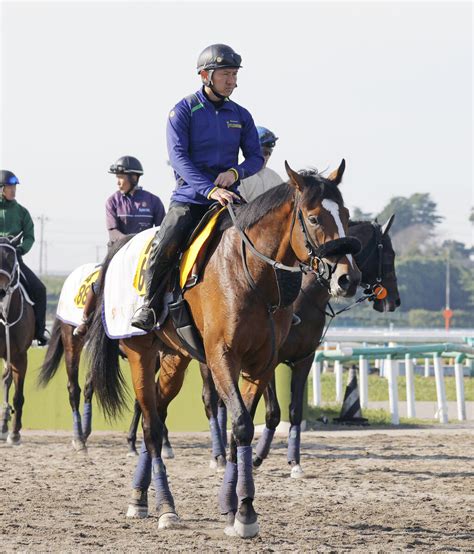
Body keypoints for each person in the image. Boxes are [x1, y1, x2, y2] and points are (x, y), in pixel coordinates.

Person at [131, 43, 264, 331]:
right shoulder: (183, 111)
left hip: (228, 198)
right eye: (226, 74)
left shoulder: (241, 115)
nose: (233, 81)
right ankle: (149, 305)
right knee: (164, 243)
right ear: (205, 75)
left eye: (234, 75)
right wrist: (209, 189)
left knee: (262, 239)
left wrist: (235, 172)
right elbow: (179, 159)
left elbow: (255, 157)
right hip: (190, 198)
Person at [74, 156, 165, 337]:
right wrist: (133, 244)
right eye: (117, 177)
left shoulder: (153, 201)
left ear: (134, 177)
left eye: (121, 176)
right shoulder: (112, 202)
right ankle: (85, 319)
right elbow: (113, 231)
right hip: (118, 253)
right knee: (99, 282)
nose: (118, 181)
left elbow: (162, 229)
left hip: (146, 254)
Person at [0, 170, 49, 345]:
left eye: (14, 187)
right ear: (1, 189)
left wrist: (21, 249)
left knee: (40, 289)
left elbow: (29, 236)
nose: (13, 190)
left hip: (14, 262)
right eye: (9, 187)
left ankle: (40, 331)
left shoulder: (22, 212)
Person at [239, 126, 284, 202]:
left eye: (269, 153)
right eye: (264, 152)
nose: (266, 157)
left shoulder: (275, 178)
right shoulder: (235, 177)